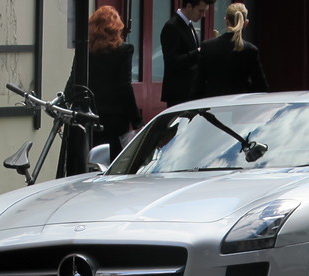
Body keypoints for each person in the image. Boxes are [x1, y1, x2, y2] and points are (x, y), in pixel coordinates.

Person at [64, 6, 143, 163]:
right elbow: (124, 87)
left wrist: (65, 110)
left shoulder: (85, 51)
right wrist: (136, 121)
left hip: (87, 118)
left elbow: (73, 82)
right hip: (114, 121)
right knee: (112, 167)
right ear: (116, 28)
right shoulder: (124, 50)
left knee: (86, 165)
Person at [192, 2, 268, 99]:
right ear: (245, 23)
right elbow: (261, 87)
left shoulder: (207, 46)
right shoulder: (250, 50)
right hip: (239, 106)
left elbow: (198, 86)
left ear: (226, 21)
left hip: (213, 106)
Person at [160, 0, 216, 107]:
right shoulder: (172, 26)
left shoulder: (188, 24)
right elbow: (171, 61)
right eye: (200, 11)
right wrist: (199, 52)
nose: (203, 15)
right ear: (189, 6)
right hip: (179, 93)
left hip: (191, 92)